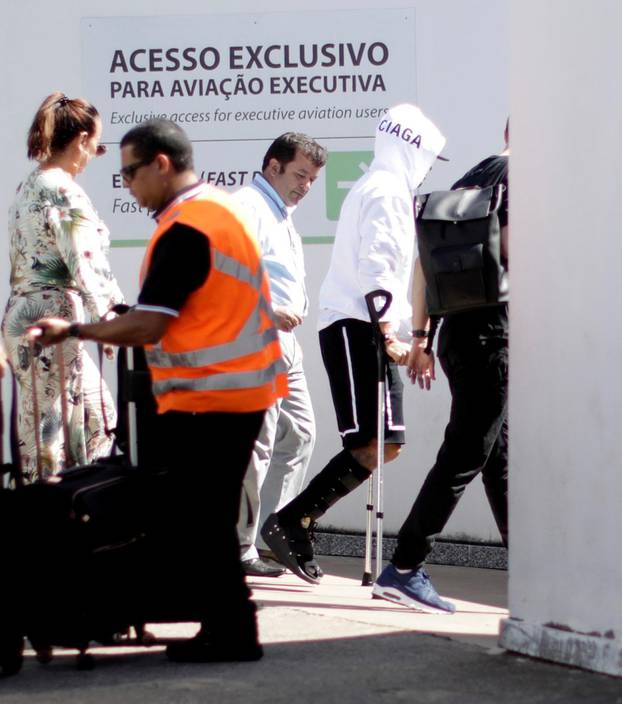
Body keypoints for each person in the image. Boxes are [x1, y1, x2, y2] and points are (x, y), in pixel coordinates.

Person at [30, 118, 287, 662]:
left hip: (213, 397)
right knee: (206, 516)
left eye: (129, 173)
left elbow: (149, 326)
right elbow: (184, 309)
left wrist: (75, 329)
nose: (126, 185)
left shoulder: (188, 228)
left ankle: (233, 634)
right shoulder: (214, 211)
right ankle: (229, 628)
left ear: (161, 164)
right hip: (236, 390)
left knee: (204, 519)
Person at [261, 104, 447, 584]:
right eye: (427, 156)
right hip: (357, 325)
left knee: (385, 444)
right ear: (413, 149)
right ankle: (291, 522)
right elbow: (378, 265)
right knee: (373, 441)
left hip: (362, 324)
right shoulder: (385, 190)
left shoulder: (383, 187)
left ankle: (295, 520)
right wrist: (390, 334)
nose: (426, 166)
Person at [373, 120, 510, 614]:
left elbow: (424, 265)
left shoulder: (471, 181)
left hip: (457, 335)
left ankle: (531, 569)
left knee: (497, 454)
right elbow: (519, 253)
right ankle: (405, 566)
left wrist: (423, 337)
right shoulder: (520, 184)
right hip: (494, 337)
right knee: (466, 454)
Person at [1, 92, 124, 481]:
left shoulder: (30, 185)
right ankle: (45, 524)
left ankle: (72, 507)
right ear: (82, 139)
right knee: (48, 431)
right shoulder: (62, 189)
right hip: (49, 319)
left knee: (91, 415)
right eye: (96, 146)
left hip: (31, 313)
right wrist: (110, 317)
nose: (93, 156)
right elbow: (83, 258)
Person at [232, 133, 327, 578]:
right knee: (259, 445)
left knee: (301, 434)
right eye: (299, 174)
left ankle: (273, 530)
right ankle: (239, 547)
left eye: (312, 178)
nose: (306, 185)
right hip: (256, 338)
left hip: (283, 346)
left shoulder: (279, 213)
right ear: (273, 166)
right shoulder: (249, 206)